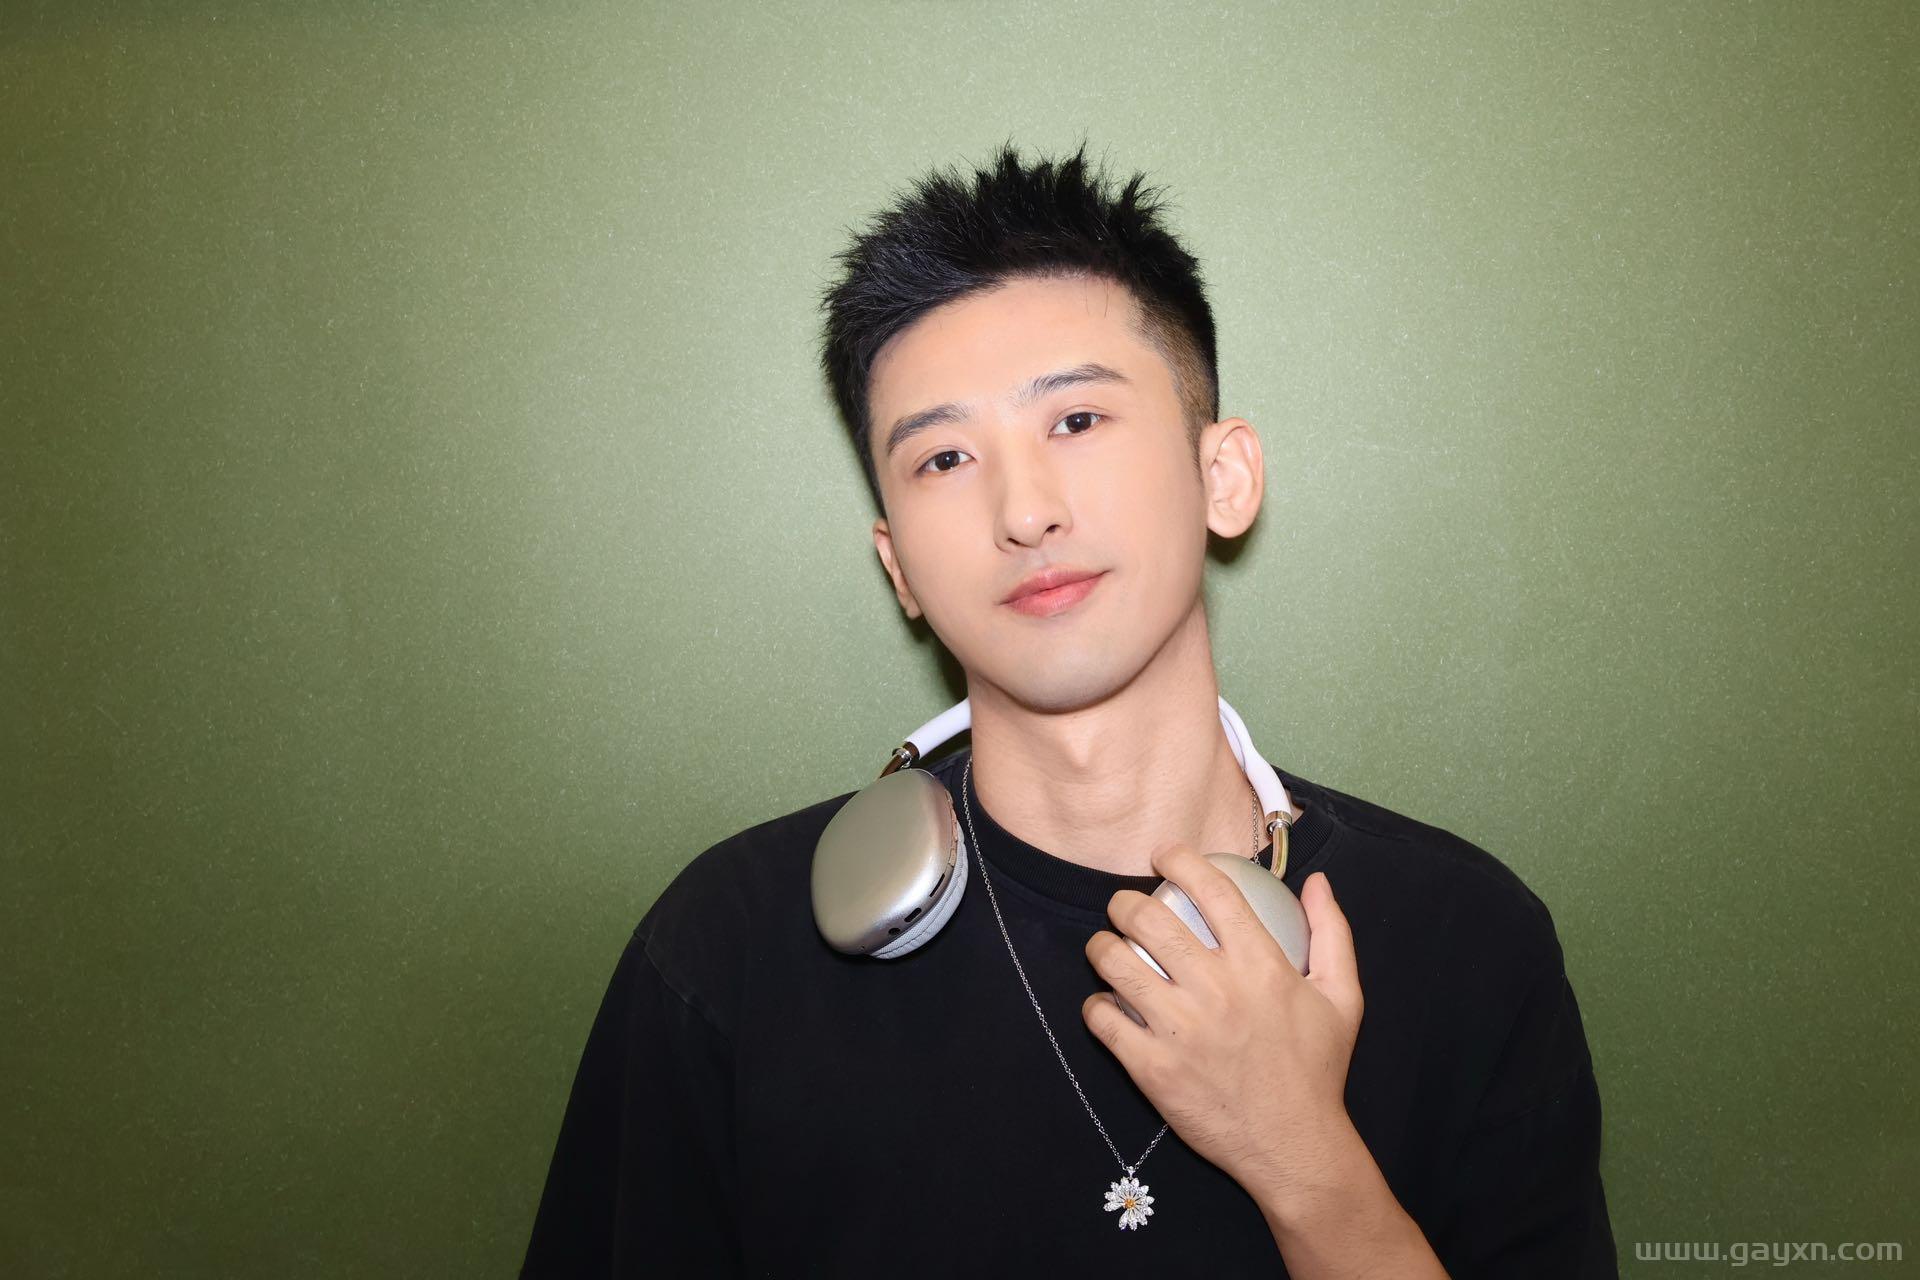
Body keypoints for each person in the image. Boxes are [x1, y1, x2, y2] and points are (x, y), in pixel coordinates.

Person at [520, 141, 1617, 1277]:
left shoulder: (1468, 941)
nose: (1024, 510)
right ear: (899, 568)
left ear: (1223, 478)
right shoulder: (729, 949)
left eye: (1078, 421)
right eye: (945, 457)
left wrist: (1307, 1163)